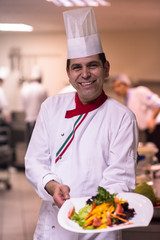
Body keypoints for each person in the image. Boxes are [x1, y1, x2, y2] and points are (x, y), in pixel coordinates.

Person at [25, 7, 138, 240]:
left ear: (106, 69)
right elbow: (34, 161)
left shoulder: (122, 118)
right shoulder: (51, 107)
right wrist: (53, 185)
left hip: (99, 224)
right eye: (77, 67)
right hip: (54, 223)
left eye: (92, 65)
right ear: (68, 73)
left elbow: (119, 178)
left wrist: (86, 215)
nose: (85, 74)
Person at [111, 74, 160, 161]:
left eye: (118, 86)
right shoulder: (127, 102)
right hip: (148, 131)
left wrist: (152, 119)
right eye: (114, 87)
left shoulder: (139, 91)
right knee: (155, 154)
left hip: (157, 126)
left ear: (126, 84)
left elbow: (157, 103)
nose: (116, 90)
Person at [20, 65, 47, 144]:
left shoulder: (24, 89)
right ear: (40, 78)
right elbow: (46, 106)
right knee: (39, 144)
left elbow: (23, 107)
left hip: (28, 120)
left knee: (29, 144)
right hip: (39, 121)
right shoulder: (42, 88)